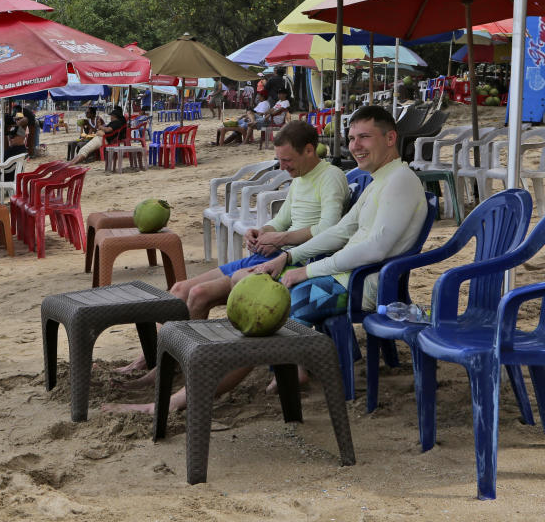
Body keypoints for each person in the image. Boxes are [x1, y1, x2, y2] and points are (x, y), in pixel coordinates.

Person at [105, 106, 427, 413]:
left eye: (364, 137)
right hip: (337, 278)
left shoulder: (400, 181)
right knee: (248, 314)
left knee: (258, 322)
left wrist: (305, 270)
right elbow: (341, 231)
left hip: (356, 286)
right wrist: (288, 257)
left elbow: (375, 249)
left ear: (390, 138)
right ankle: (184, 383)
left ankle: (174, 402)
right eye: (352, 137)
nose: (355, 145)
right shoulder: (379, 181)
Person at [111, 121, 349, 378]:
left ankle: (173, 368)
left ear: (310, 151)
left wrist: (280, 239)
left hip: (294, 262)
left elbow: (329, 229)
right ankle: (150, 358)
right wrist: (262, 232)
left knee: (200, 294)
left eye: (287, 160)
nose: (282, 167)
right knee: (179, 289)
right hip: (271, 254)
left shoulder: (331, 177)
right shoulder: (300, 177)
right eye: (279, 160)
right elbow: (280, 221)